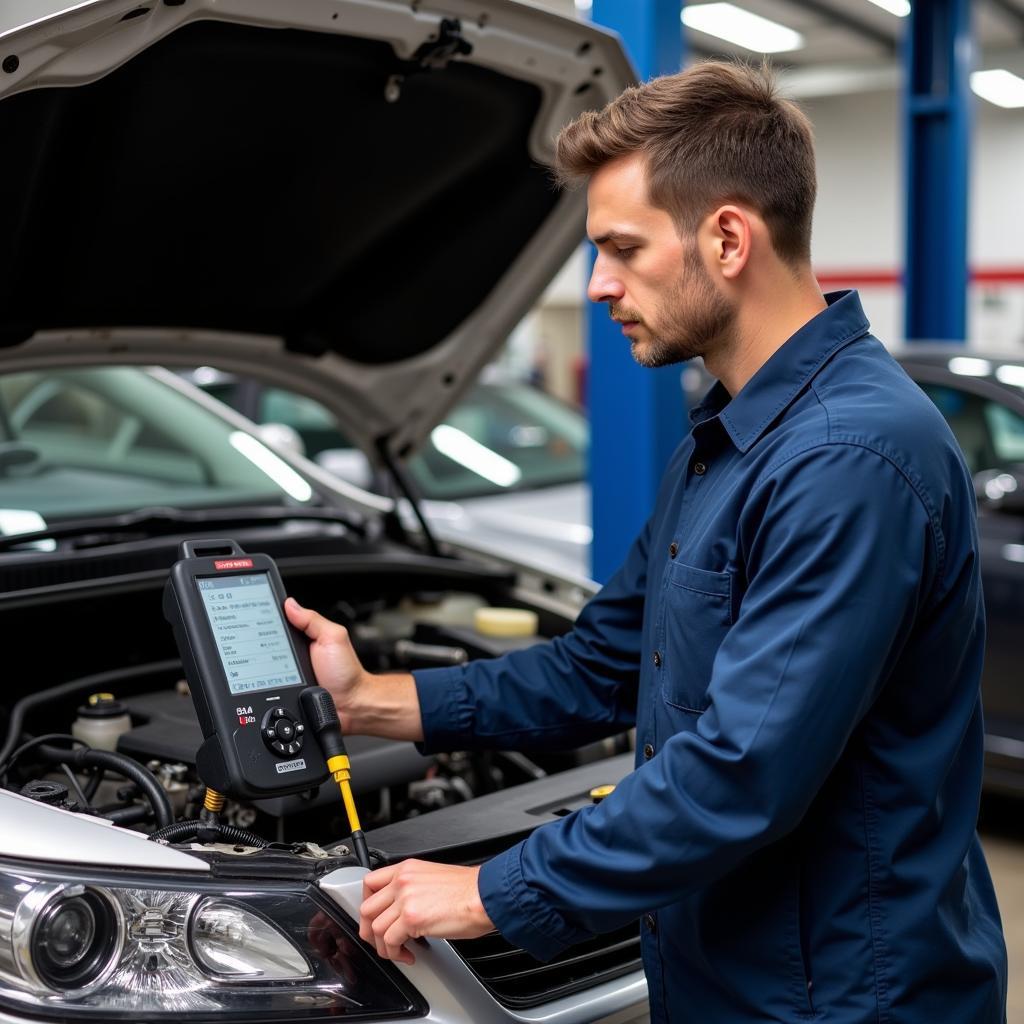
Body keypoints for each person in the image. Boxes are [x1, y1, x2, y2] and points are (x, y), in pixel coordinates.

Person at [285, 61, 1008, 1023]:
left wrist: (485, 891)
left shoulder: (849, 455)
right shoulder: (729, 440)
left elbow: (742, 774)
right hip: (729, 969)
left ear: (727, 237)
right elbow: (600, 664)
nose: (597, 285)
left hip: (841, 995)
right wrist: (374, 700)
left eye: (621, 248)